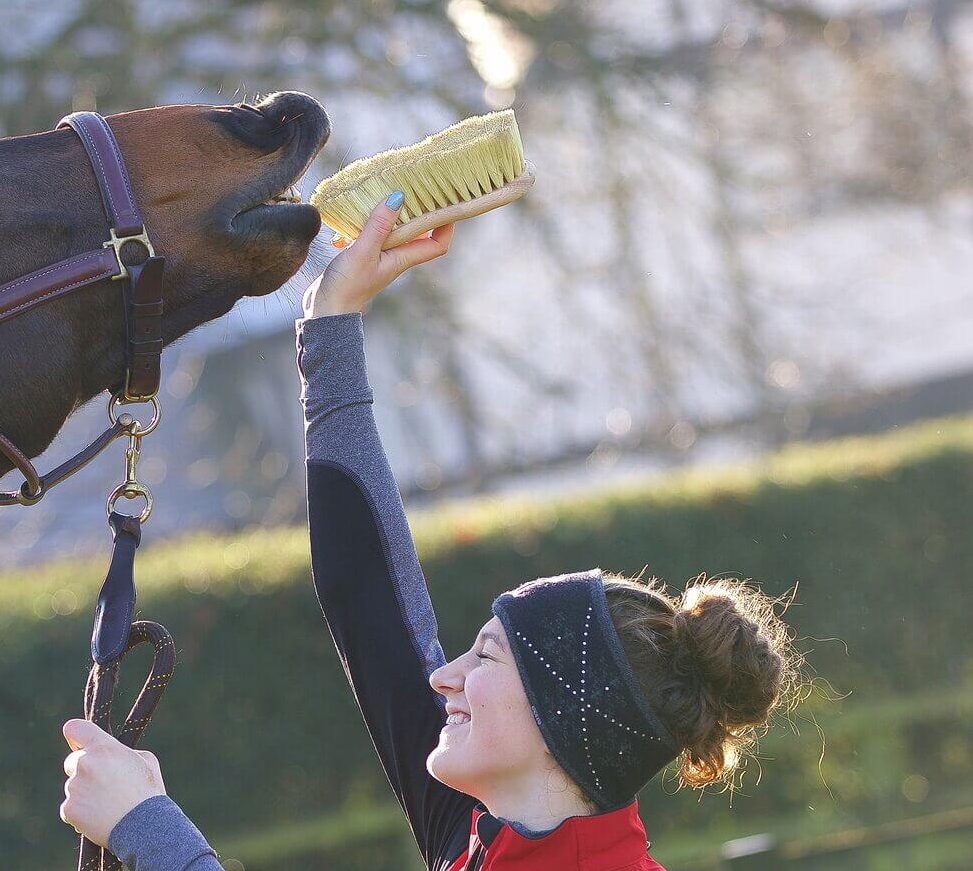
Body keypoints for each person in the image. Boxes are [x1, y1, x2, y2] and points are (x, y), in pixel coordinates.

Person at [59, 192, 802, 870]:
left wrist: (148, 827)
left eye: (486, 656)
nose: (444, 676)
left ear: (558, 719)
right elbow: (368, 600)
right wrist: (329, 326)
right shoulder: (499, 832)